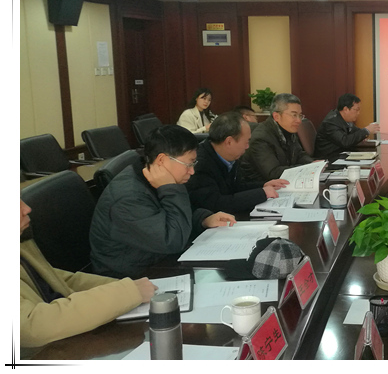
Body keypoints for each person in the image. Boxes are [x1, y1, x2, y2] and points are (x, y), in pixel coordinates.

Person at [89, 125, 236, 278]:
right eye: (189, 163)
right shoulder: (128, 198)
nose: (192, 171)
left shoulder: (154, 178)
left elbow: (170, 216)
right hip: (128, 277)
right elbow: (173, 240)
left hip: (154, 259)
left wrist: (203, 219)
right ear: (162, 160)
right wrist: (171, 189)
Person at [20, 200, 157, 347]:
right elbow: (33, 326)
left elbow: (60, 281)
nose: (27, 209)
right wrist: (127, 293)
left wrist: (127, 288)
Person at [186, 112, 289, 219]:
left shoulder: (229, 155)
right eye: (246, 142)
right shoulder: (200, 165)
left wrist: (263, 185)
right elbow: (215, 204)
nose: (247, 147)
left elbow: (235, 187)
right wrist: (261, 194)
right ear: (229, 142)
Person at [240, 93, 314, 184]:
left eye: (300, 115)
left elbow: (299, 154)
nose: (299, 120)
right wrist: (307, 168)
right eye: (294, 115)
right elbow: (273, 173)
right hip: (262, 186)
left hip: (283, 183)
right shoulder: (261, 138)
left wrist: (313, 164)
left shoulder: (289, 130)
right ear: (276, 116)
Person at [314, 93, 380, 160]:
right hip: (328, 159)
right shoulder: (331, 122)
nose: (358, 113)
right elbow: (345, 141)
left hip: (341, 154)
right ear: (346, 109)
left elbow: (355, 131)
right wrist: (366, 131)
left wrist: (363, 135)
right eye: (356, 110)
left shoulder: (345, 119)